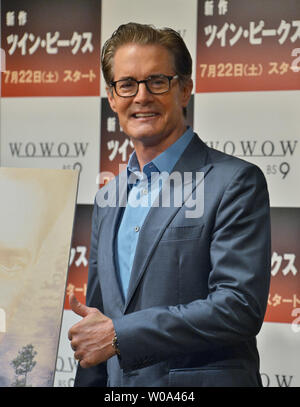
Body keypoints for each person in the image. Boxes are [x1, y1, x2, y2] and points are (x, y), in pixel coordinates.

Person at [68, 22, 271, 387]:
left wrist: (121, 335)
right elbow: (97, 321)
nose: (141, 96)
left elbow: (238, 307)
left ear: (185, 89)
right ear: (112, 97)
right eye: (126, 84)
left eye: (157, 81)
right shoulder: (107, 198)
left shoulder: (234, 181)